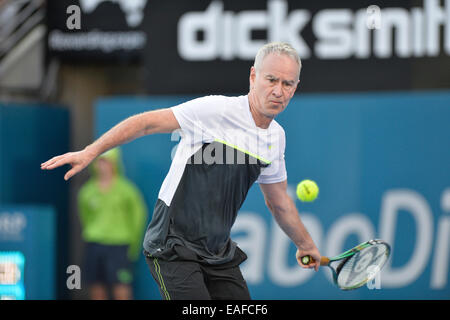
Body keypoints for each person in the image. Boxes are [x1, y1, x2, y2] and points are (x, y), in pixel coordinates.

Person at [41, 42, 321, 300]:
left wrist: (305, 244)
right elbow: (146, 123)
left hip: (218, 252)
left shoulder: (276, 138)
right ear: (253, 76)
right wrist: (90, 151)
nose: (278, 90)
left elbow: (279, 202)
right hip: (173, 246)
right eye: (271, 79)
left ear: (295, 87)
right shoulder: (215, 110)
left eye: (288, 83)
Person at [77, 147, 147, 300]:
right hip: (94, 244)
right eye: (99, 161)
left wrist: (133, 246)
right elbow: (85, 216)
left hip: (119, 246)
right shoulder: (87, 191)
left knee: (121, 287)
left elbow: (138, 218)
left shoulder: (128, 190)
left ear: (114, 164)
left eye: (107, 161)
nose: (103, 166)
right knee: (96, 287)